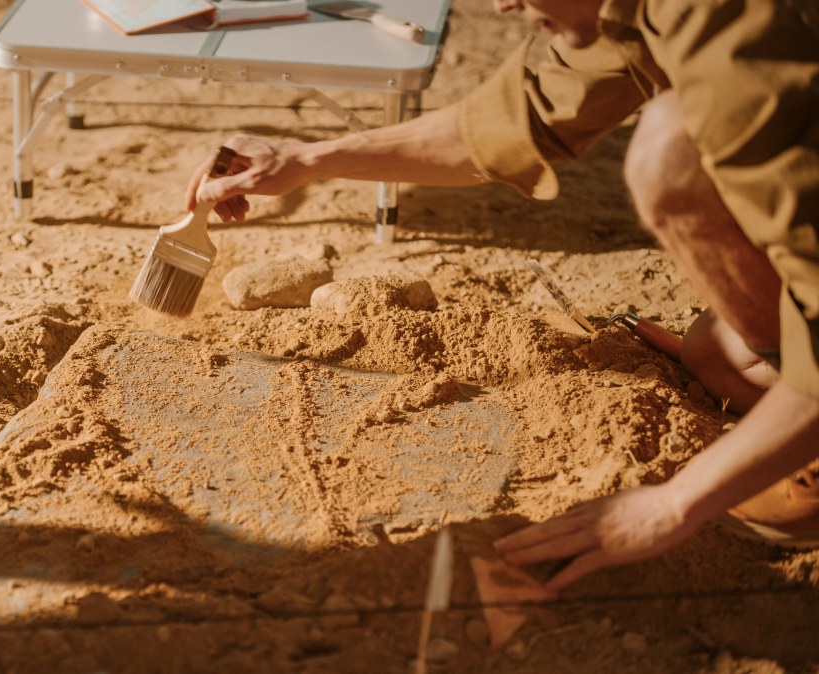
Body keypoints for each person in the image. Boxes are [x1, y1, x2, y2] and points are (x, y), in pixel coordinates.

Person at [185, 0, 819, 590]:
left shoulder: (739, 44)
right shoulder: (639, 8)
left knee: (669, 152)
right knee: (718, 354)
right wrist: (308, 158)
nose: (500, 6)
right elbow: (522, 116)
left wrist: (672, 504)